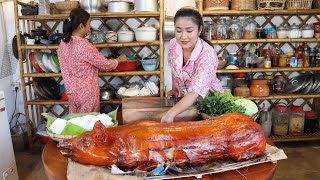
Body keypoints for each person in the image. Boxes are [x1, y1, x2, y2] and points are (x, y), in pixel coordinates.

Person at [58, 8, 127, 113]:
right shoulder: (84, 46)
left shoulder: (63, 45)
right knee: (88, 124)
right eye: (89, 23)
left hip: (71, 92)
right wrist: (119, 59)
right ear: (81, 26)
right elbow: (105, 65)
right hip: (86, 94)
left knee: (76, 123)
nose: (90, 27)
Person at [161, 7, 223, 123]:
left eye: (189, 31)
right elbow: (174, 68)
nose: (183, 37)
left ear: (199, 30)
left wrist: (171, 113)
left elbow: (195, 92)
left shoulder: (208, 54)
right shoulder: (173, 44)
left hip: (209, 108)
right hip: (186, 105)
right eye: (179, 31)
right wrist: (174, 89)